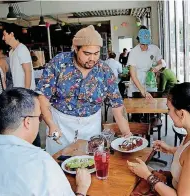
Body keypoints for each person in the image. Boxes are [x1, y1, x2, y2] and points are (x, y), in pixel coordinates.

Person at [0, 88, 91, 196]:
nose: (40, 121)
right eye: (39, 117)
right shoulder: (41, 162)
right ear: (27, 122)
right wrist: (81, 189)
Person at [37, 25, 132, 155]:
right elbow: (42, 96)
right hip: (60, 123)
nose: (92, 58)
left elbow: (117, 105)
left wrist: (127, 133)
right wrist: (50, 123)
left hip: (91, 126)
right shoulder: (59, 63)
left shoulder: (104, 71)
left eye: (96, 53)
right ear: (75, 48)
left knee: (88, 164)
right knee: (58, 164)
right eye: (87, 53)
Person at [127, 78, 190, 196]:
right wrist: (172, 150)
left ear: (181, 113)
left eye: (169, 109)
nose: (168, 113)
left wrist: (148, 176)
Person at [127, 29, 164, 99]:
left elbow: (160, 63)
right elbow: (133, 75)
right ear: (138, 41)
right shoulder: (134, 52)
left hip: (150, 83)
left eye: (147, 44)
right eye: (142, 44)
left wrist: (158, 67)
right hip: (136, 86)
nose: (145, 46)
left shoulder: (155, 49)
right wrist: (143, 92)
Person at [2, 24, 35, 90]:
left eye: (4, 35)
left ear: (11, 34)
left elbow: (28, 71)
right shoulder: (11, 52)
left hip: (25, 93)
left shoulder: (22, 49)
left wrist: (26, 92)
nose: (3, 38)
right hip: (18, 91)